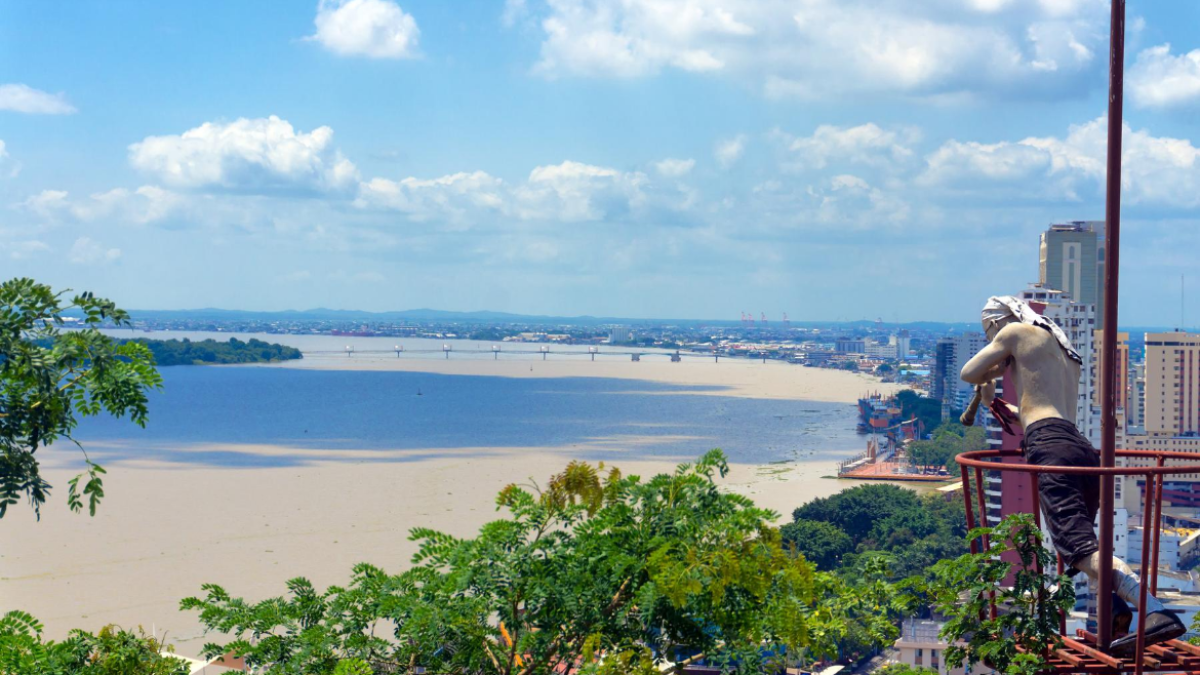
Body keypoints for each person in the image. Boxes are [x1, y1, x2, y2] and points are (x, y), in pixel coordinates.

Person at [960, 295, 1185, 655]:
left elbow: (968, 372)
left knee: (1081, 550)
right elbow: (1038, 410)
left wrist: (989, 371)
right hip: (1079, 449)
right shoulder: (1061, 349)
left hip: (1051, 449)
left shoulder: (1015, 332)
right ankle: (1115, 608)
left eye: (991, 333)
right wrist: (995, 400)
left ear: (999, 322)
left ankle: (1154, 611)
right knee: (1083, 544)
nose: (993, 340)